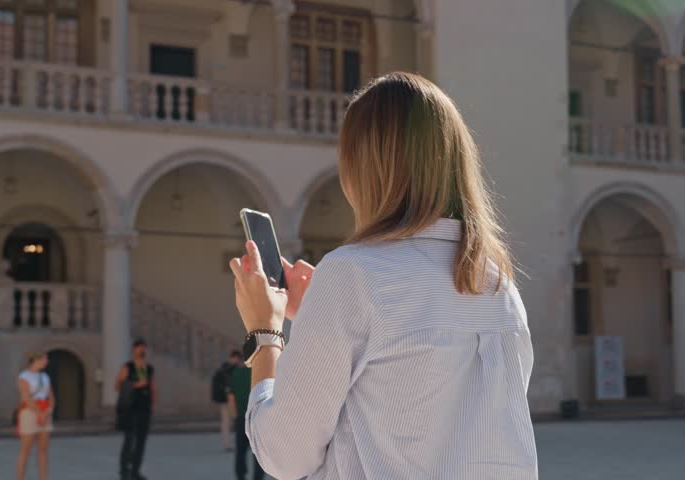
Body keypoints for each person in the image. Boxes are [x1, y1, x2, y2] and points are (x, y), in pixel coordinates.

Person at [229, 72, 536, 479]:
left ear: (360, 169)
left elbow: (285, 456)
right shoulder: (499, 286)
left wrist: (265, 334)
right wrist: (316, 314)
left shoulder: (352, 274)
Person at [114, 339, 156, 480]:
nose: (142, 350)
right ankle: (124, 470)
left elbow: (152, 386)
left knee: (141, 442)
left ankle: (135, 471)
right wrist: (136, 385)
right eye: (139, 348)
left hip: (144, 409)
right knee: (129, 440)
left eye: (143, 348)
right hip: (131, 409)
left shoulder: (149, 368)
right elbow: (118, 385)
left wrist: (153, 403)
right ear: (134, 350)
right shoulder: (128, 367)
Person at [227, 352, 266, 480]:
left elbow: (231, 397)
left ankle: (240, 475)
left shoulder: (235, 374)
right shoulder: (259, 373)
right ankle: (258, 477)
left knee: (240, 450)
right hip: (258, 418)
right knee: (258, 452)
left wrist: (235, 416)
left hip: (241, 418)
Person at [16, 352, 54, 480]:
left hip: (45, 411)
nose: (47, 361)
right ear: (36, 359)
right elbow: (26, 397)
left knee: (43, 451)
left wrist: (48, 411)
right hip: (30, 412)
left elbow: (51, 396)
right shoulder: (24, 376)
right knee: (25, 450)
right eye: (45, 358)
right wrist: (39, 413)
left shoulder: (45, 376)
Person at [213, 351, 241, 451]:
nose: (236, 360)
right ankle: (227, 444)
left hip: (233, 400)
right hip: (226, 400)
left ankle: (231, 443)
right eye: (235, 358)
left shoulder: (229, 369)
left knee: (234, 422)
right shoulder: (224, 370)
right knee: (227, 422)